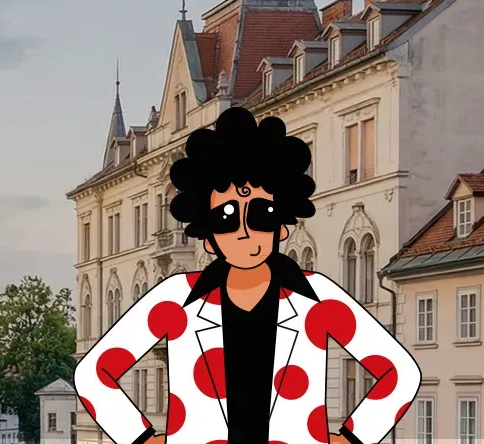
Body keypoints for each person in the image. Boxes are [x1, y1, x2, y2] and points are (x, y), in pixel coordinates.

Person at [71, 108, 419, 444]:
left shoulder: (317, 298)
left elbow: (400, 372)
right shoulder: (176, 298)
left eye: (261, 214)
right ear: (208, 235)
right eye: (226, 217)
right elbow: (93, 375)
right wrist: (142, 438)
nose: (244, 230)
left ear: (281, 226)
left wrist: (352, 437)